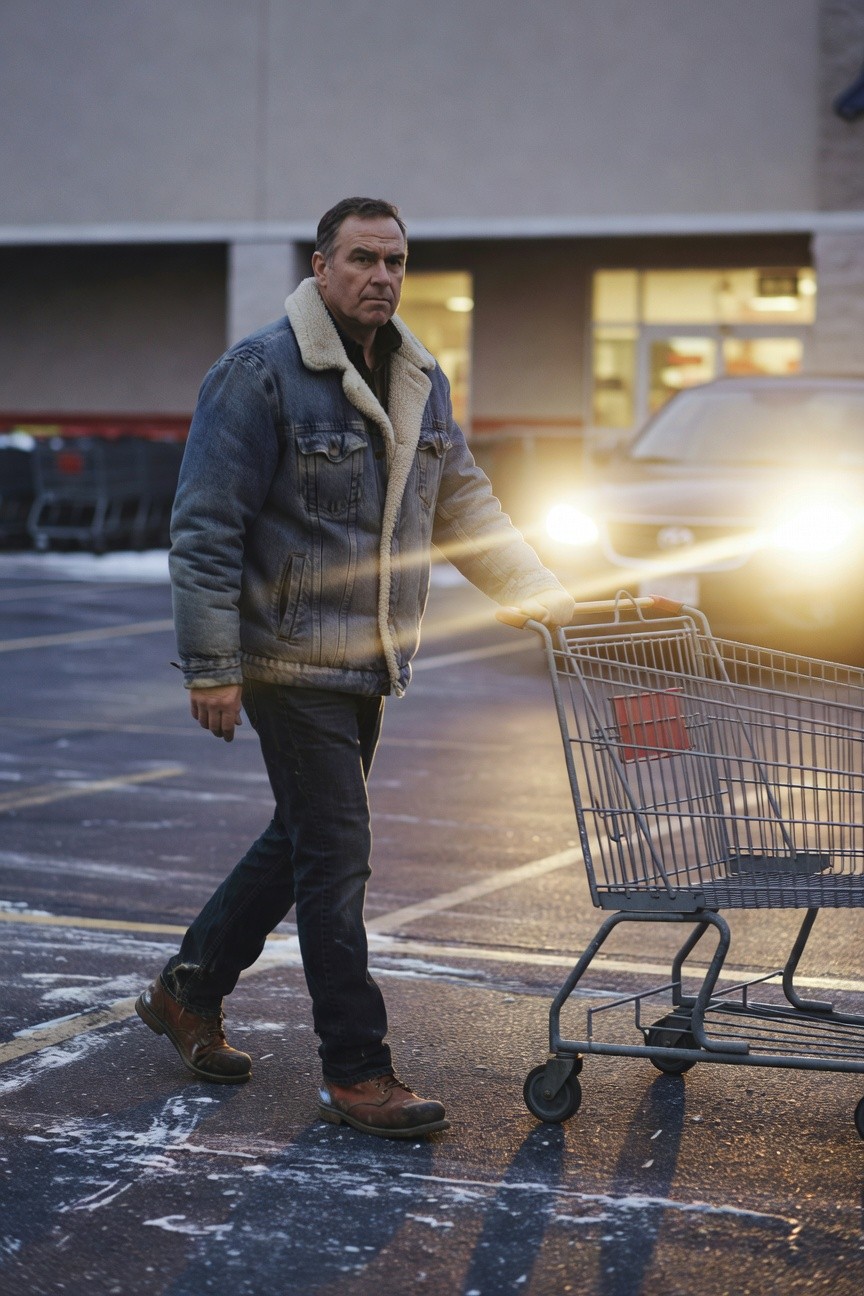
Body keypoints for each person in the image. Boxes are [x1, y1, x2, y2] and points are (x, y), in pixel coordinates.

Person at [135, 196, 575, 1139]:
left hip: (368, 664)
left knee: (301, 840)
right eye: (364, 259)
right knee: (337, 858)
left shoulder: (418, 375)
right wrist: (212, 664)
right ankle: (356, 1071)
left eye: (396, 262)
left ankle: (189, 988)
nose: (382, 276)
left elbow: (465, 505)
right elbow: (205, 528)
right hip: (285, 663)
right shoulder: (258, 374)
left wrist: (550, 598)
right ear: (322, 267)